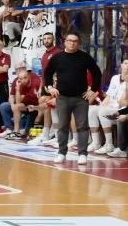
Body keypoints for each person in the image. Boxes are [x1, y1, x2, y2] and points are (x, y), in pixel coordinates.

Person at [42, 32, 103, 164]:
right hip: (62, 97)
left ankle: (82, 154)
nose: (72, 43)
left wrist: (93, 90)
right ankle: (61, 153)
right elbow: (47, 73)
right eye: (69, 40)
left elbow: (97, 73)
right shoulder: (57, 57)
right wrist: (50, 87)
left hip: (81, 98)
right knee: (63, 126)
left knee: (82, 126)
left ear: (78, 43)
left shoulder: (84, 57)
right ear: (65, 42)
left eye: (75, 41)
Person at [91, 60, 128, 157]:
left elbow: (123, 103)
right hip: (111, 106)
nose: (127, 66)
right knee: (92, 110)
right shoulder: (115, 78)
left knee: (103, 111)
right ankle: (96, 143)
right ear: (121, 65)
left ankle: (109, 144)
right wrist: (102, 104)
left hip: (118, 109)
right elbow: (109, 96)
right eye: (125, 63)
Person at [0, 64, 42, 141]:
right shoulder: (17, 81)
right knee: (12, 106)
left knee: (27, 132)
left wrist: (38, 111)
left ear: (28, 75)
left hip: (37, 106)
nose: (23, 81)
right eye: (21, 79)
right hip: (26, 105)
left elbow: (42, 100)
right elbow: (18, 101)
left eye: (24, 78)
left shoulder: (36, 81)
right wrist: (18, 90)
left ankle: (25, 129)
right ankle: (15, 132)